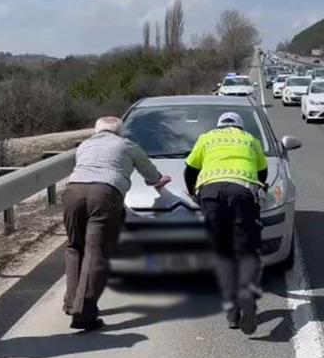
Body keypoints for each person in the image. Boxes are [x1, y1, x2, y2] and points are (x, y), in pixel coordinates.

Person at [63, 116, 171, 330]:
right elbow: (150, 173)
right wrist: (158, 180)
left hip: (73, 192)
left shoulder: (84, 145)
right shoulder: (127, 145)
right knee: (96, 251)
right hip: (105, 193)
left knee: (75, 247)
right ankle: (84, 313)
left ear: (96, 131)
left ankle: (71, 303)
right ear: (120, 131)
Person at [184, 112, 268, 335]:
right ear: (240, 127)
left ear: (219, 125)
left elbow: (190, 169)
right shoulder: (250, 139)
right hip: (242, 191)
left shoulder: (206, 138)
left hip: (210, 193)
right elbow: (262, 172)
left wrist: (194, 193)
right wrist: (260, 187)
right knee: (245, 250)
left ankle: (232, 313)